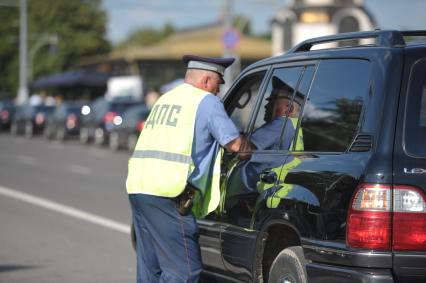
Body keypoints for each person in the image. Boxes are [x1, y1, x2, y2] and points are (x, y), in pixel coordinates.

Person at [126, 54, 251, 283]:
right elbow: (235, 145)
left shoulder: (166, 99)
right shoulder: (205, 101)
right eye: (218, 83)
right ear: (206, 80)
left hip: (139, 188)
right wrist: (252, 147)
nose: (218, 90)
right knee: (184, 272)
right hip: (169, 193)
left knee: (150, 269)